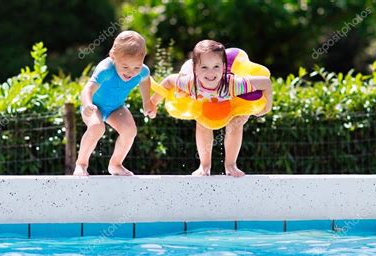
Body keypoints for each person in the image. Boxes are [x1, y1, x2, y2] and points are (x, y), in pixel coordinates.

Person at [151, 40, 272, 177]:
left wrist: (266, 107)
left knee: (235, 123)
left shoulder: (233, 84)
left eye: (216, 66)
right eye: (204, 67)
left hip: (228, 97)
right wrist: (153, 103)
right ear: (196, 69)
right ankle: (204, 166)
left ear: (224, 67)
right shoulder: (191, 83)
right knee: (203, 124)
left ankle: (231, 165)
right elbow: (168, 82)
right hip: (200, 99)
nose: (211, 73)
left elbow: (265, 83)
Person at [73, 31, 156, 176]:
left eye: (136, 67)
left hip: (116, 108)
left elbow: (145, 80)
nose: (131, 72)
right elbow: (88, 89)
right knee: (97, 127)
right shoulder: (106, 69)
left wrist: (147, 102)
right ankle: (81, 164)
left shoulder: (142, 72)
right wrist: (87, 104)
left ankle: (116, 164)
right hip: (93, 107)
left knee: (130, 131)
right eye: (125, 67)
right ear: (113, 56)